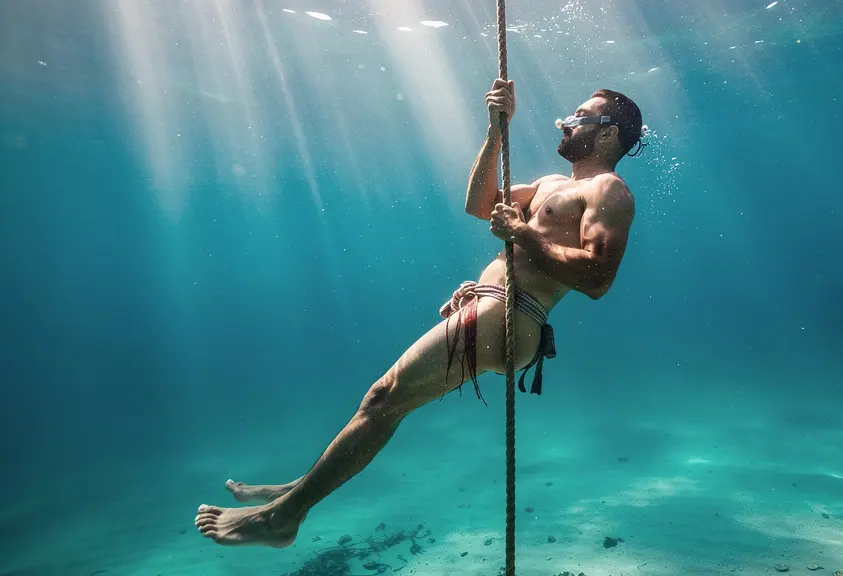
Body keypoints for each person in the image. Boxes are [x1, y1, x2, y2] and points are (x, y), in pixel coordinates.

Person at [194, 79, 646, 547]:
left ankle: (282, 518)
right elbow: (479, 205)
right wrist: (495, 132)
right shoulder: (553, 185)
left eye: (579, 116)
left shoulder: (609, 190)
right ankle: (296, 491)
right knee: (387, 402)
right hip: (495, 307)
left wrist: (523, 235)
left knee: (383, 399)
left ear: (608, 134)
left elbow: (598, 278)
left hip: (512, 315)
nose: (565, 122)